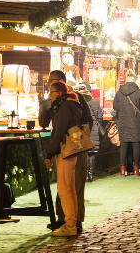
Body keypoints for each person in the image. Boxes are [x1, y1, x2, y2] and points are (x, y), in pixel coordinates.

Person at [39, 70, 92, 233]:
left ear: (62, 83)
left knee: (73, 186)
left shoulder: (74, 99)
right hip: (64, 147)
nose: (49, 84)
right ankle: (64, 219)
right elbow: (43, 122)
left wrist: (77, 136)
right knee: (64, 185)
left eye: (52, 81)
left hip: (74, 147)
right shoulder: (56, 102)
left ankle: (73, 222)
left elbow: (87, 120)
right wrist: (45, 104)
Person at [44, 81, 83, 237]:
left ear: (59, 93)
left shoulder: (65, 107)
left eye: (51, 92)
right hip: (72, 150)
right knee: (69, 188)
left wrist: (49, 154)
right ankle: (71, 221)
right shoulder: (70, 104)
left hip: (66, 150)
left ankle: (70, 224)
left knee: (64, 189)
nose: (49, 95)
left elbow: (58, 132)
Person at [113, 70, 140, 176]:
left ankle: (123, 170)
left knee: (123, 145)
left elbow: (115, 107)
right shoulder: (138, 92)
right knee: (136, 144)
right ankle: (136, 169)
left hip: (122, 122)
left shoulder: (119, 92)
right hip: (136, 122)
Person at [72, 83, 104, 183]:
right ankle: (90, 174)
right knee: (92, 152)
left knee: (83, 152)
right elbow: (100, 116)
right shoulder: (94, 100)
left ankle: (84, 174)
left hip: (82, 129)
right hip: (93, 128)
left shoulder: (76, 101)